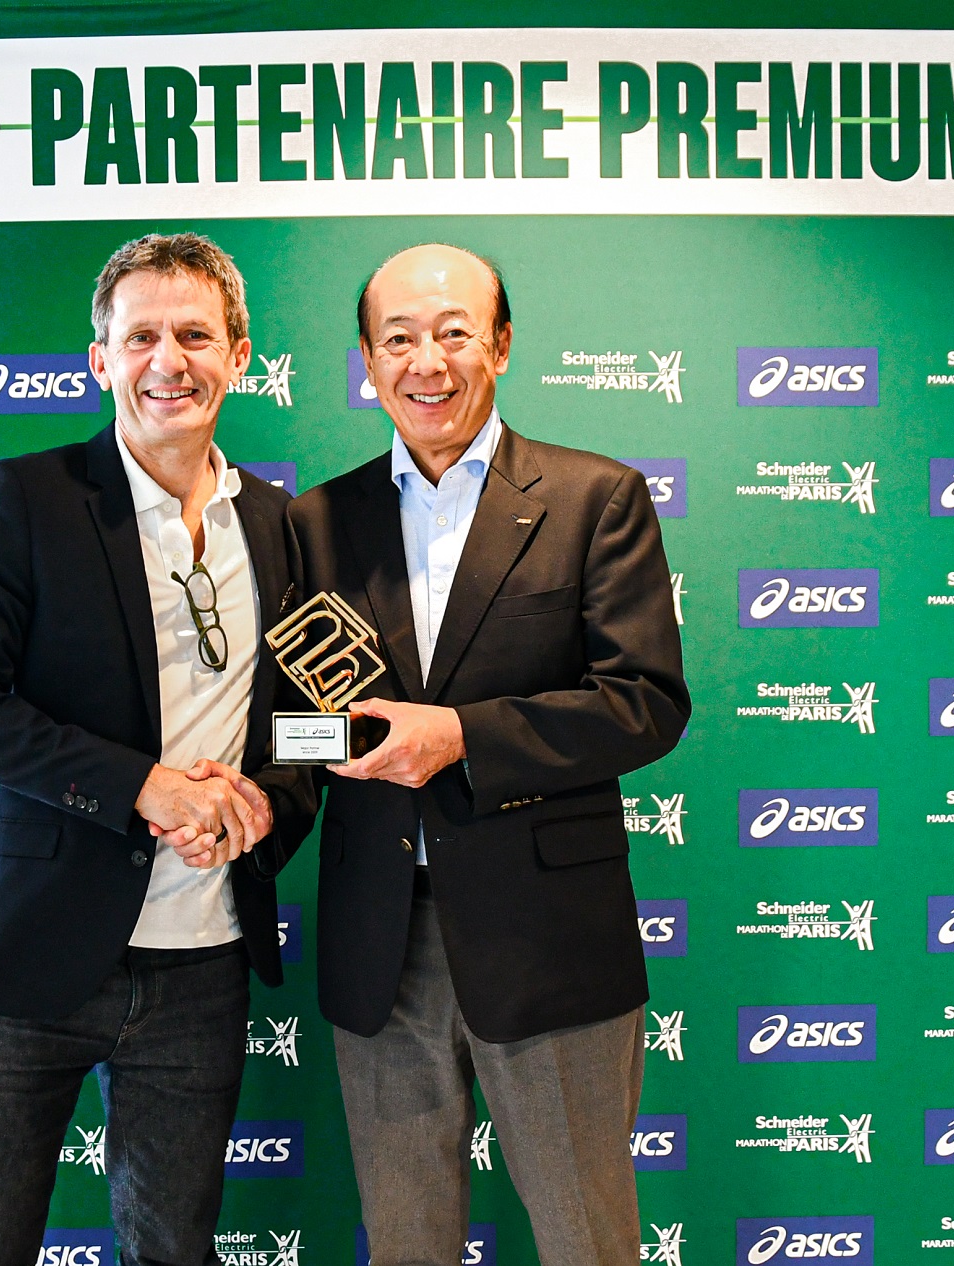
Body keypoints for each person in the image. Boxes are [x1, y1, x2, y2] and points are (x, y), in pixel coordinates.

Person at [0, 231, 314, 1266]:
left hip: (205, 963)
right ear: (100, 359)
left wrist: (267, 803)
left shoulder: (285, 526)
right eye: (141, 337)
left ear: (240, 355)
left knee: (174, 1250)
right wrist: (143, 787)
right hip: (28, 952)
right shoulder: (21, 499)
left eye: (195, 336)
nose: (168, 360)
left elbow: (313, 724)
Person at [286, 243, 690, 1264]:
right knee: (406, 1244)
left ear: (501, 345)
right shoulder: (316, 520)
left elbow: (643, 703)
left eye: (454, 332)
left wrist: (462, 735)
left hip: (549, 937)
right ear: (367, 364)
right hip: (379, 940)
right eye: (398, 339)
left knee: (587, 1241)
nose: (426, 361)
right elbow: (293, 725)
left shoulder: (595, 497)